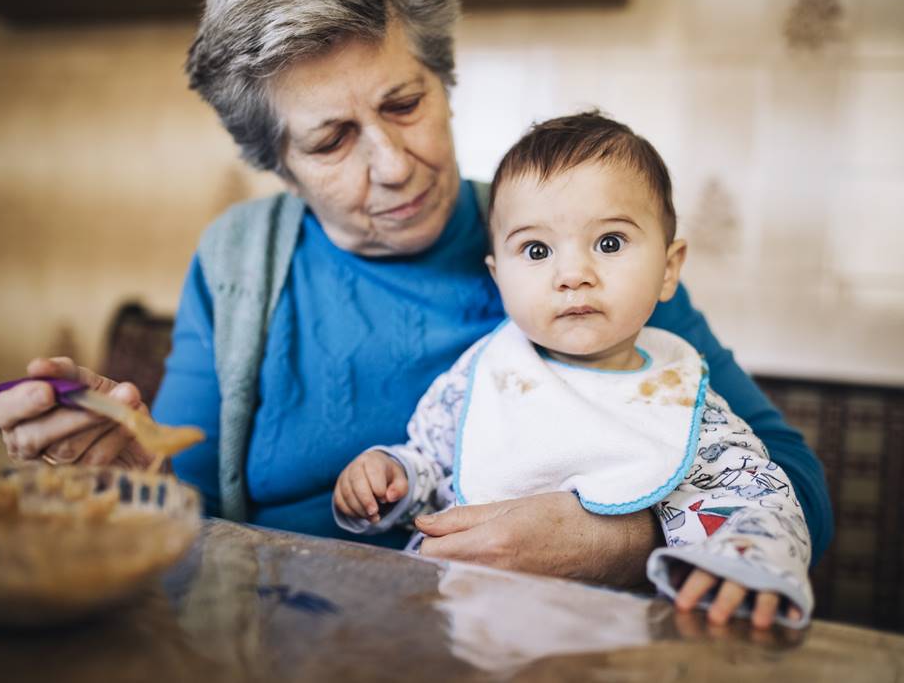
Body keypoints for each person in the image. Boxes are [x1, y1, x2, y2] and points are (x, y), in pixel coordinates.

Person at [0, 0, 832, 587]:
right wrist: (124, 470)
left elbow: (792, 485)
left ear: (446, 83)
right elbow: (187, 512)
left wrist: (624, 533)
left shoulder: (583, 249)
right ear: (278, 163)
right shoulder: (238, 260)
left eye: (403, 102)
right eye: (330, 140)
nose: (391, 165)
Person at [333, 112, 812, 629]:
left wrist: (741, 563)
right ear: (499, 277)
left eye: (609, 243)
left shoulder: (679, 401)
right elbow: (433, 466)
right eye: (536, 251)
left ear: (669, 268)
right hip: (452, 632)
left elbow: (759, 501)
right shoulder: (489, 371)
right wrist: (394, 478)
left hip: (608, 648)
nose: (572, 276)